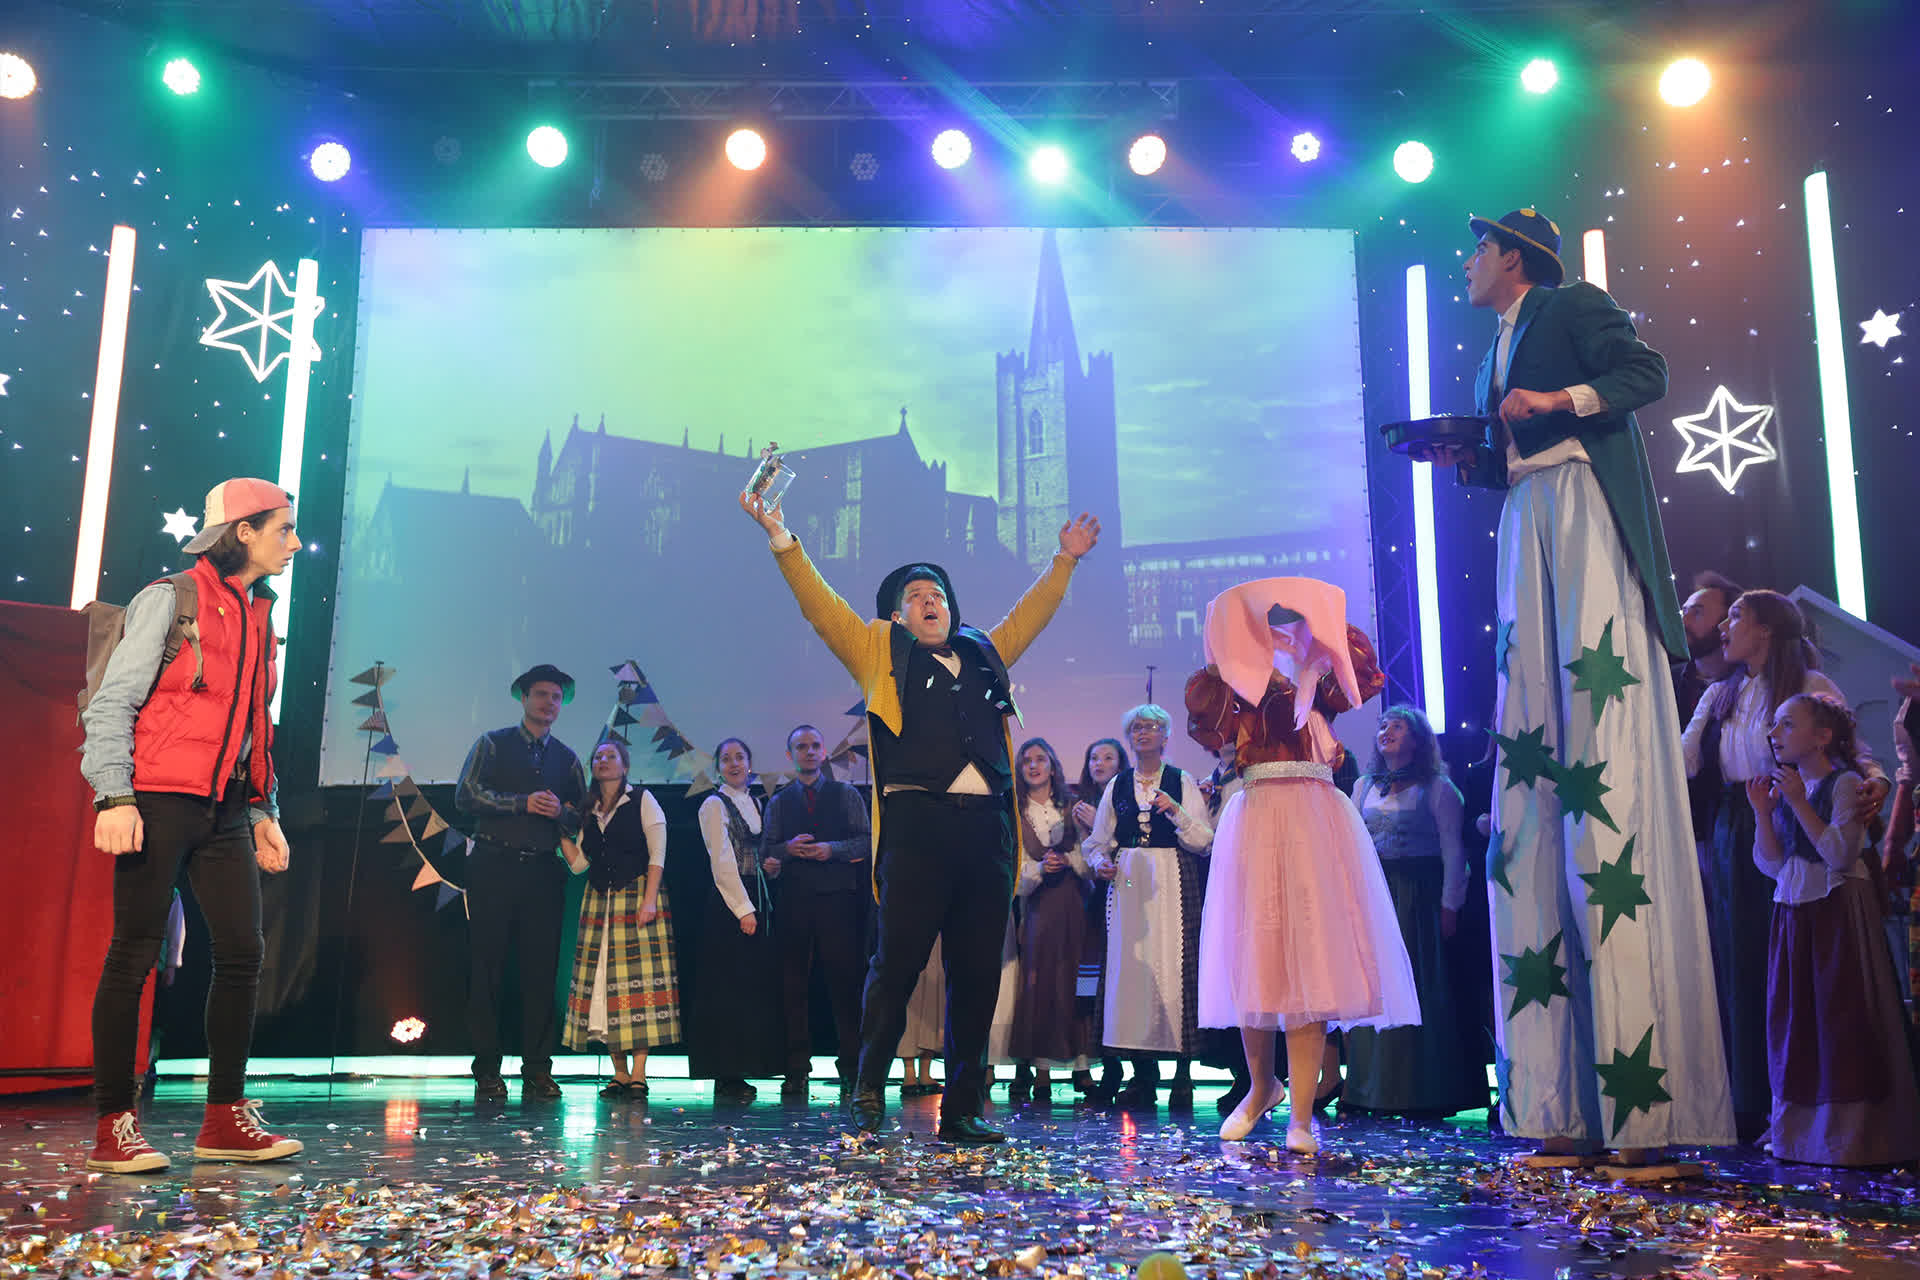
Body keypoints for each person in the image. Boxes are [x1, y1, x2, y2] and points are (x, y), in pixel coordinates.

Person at [1420, 208, 1734, 1165]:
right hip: (1527, 510)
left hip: (1583, 503)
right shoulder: (1491, 350)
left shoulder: (1570, 305)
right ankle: (1556, 1102)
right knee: (1535, 742)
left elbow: (1647, 374)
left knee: (1595, 717)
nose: (1467, 264)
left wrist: (1557, 397)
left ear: (1514, 257)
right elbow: (1509, 450)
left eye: (1478, 250)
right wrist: (1469, 457)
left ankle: (1648, 1114)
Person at [741, 488, 1101, 1145]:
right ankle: (867, 1091)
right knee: (895, 969)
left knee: (976, 975)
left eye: (936, 593)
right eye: (915, 596)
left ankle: (962, 1108)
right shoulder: (878, 652)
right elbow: (821, 608)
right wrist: (783, 541)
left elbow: (1031, 615)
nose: (929, 600)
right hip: (916, 832)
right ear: (897, 615)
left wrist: (1065, 561)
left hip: (986, 834)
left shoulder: (986, 652)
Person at [81, 478, 303, 1172]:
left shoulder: (260, 613)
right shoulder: (171, 598)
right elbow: (112, 701)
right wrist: (114, 796)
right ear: (244, 531)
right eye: (284, 529)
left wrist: (263, 810)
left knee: (242, 952)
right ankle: (114, 1125)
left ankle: (223, 1119)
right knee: (134, 954)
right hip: (156, 799)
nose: (295, 543)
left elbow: (253, 726)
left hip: (228, 807)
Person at [1186, 580, 1418, 1153]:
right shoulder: (1236, 670)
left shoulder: (1317, 658)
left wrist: (1324, 625)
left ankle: (1302, 1116)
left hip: (1314, 813)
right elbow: (1208, 717)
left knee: (1311, 960)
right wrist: (1222, 649)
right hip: (1259, 813)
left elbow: (1359, 678)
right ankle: (1261, 1086)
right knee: (1256, 954)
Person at [1683, 591, 1890, 1141]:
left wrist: (1877, 780)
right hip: (1740, 823)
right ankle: (1752, 1102)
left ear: (1766, 631)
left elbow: (1853, 748)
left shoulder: (1807, 685)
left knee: (1795, 964)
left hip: (1797, 816)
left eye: (1735, 617)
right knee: (1742, 963)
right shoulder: (1721, 693)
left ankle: (1808, 1102)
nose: (1724, 627)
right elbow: (1683, 756)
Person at [1747, 693, 1920, 1166]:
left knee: (1839, 1017)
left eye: (1787, 724)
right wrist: (1763, 812)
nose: (1774, 734)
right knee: (1797, 1017)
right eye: (1775, 725)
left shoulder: (1843, 784)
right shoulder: (1792, 785)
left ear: (1822, 736)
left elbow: (1840, 855)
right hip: (1794, 909)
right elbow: (1773, 864)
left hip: (1835, 908)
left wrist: (1799, 803)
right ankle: (1800, 1134)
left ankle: (1851, 1136)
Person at [454, 663, 587, 1102]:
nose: (550, 703)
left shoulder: (567, 758)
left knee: (541, 972)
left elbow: (582, 815)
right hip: (493, 864)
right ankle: (487, 1070)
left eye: (556, 697)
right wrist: (521, 803)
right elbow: (465, 794)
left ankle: (537, 1070)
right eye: (542, 694)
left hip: (543, 873)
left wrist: (560, 813)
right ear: (524, 698)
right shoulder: (492, 744)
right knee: (487, 967)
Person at [1343, 706, 1485, 1118]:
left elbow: (1454, 852)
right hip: (1377, 894)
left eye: (1398, 726)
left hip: (1419, 897)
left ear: (1418, 738)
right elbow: (1352, 846)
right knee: (1377, 985)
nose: (1386, 730)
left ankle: (1423, 1090)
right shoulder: (1363, 786)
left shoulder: (1438, 788)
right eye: (1382, 725)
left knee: (1420, 985)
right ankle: (1373, 1089)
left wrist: (1449, 904)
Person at [1083, 704, 1214, 1110]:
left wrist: (1175, 811)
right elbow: (1097, 841)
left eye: (1152, 727)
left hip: (1173, 879)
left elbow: (1204, 840)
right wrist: (1100, 863)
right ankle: (1142, 1074)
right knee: (1132, 972)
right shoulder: (1118, 784)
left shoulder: (1181, 780)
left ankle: (1182, 1075)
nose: (1143, 732)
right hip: (1128, 884)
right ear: (1129, 737)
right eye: (1137, 727)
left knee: (1176, 968)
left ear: (1165, 736)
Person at [560, 740, 678, 1099]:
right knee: (604, 984)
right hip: (599, 902)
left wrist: (649, 900)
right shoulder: (589, 808)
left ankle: (639, 1073)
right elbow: (579, 864)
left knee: (638, 987)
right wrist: (559, 831)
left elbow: (658, 854)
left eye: (611, 756)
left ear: (624, 765)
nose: (603, 760)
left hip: (636, 895)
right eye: (598, 756)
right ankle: (620, 1073)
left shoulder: (642, 800)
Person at [761, 724, 872, 1099]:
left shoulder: (846, 794)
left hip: (838, 901)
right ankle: (796, 1070)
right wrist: (786, 850)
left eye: (815, 746)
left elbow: (866, 841)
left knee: (845, 985)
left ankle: (851, 1068)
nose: (809, 752)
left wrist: (832, 850)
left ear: (824, 752)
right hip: (794, 902)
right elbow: (767, 851)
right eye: (801, 747)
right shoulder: (779, 801)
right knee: (793, 986)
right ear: (790, 755)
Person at [689, 737, 786, 1102]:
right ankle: (726, 1073)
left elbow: (755, 853)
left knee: (749, 986)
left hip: (757, 895)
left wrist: (770, 868)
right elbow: (722, 860)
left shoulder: (757, 803)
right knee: (727, 987)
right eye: (726, 759)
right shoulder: (714, 804)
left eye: (739, 757)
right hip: (730, 903)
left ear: (749, 764)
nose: (733, 763)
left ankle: (746, 1067)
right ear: (718, 768)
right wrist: (743, 909)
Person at [1006, 738, 1091, 1105]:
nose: (1034, 766)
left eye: (1041, 759)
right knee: (1039, 982)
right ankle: (1039, 1069)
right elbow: (1012, 869)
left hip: (1074, 905)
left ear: (1053, 767)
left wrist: (1070, 860)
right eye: (1027, 760)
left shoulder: (1072, 808)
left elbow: (1092, 857)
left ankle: (1082, 1064)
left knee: (1077, 981)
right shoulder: (1015, 813)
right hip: (1039, 907)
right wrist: (1040, 869)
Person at [1073, 738, 1129, 1102]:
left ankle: (1139, 1069)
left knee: (1124, 981)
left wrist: (1099, 826)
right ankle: (1103, 1065)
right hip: (1088, 904)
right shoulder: (1078, 803)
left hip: (1124, 895)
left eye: (1108, 757)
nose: (1100, 763)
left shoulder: (1127, 800)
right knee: (1094, 987)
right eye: (1094, 757)